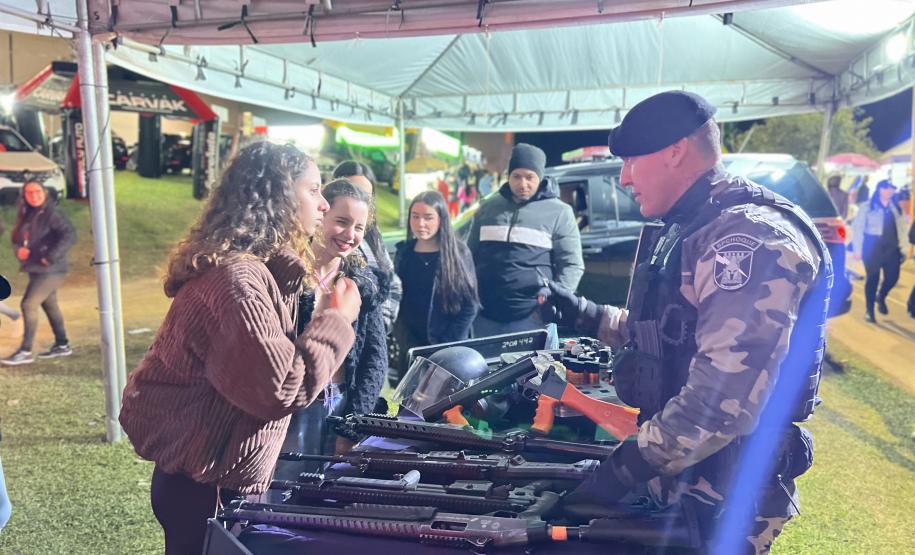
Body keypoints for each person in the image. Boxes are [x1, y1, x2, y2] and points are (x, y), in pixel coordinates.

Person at [541, 91, 832, 554]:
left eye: (632, 161)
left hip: (727, 493)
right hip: (683, 474)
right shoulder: (687, 225)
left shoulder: (746, 238)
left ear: (675, 151)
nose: (623, 178)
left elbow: (721, 398)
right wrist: (591, 316)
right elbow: (671, 334)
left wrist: (620, 471)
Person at [118, 142, 360, 555]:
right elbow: (281, 388)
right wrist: (336, 321)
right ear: (277, 196)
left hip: (209, 477)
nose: (322, 204)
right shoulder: (237, 281)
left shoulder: (254, 272)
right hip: (203, 484)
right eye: (313, 190)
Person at [276, 178, 388, 482]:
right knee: (281, 494)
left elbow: (375, 361)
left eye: (359, 227)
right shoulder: (286, 277)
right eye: (341, 221)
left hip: (341, 406)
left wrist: (351, 425)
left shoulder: (361, 282)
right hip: (292, 409)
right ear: (321, 213)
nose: (350, 235)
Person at [468, 143, 583, 348]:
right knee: (486, 377)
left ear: (540, 177)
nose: (523, 184)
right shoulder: (488, 207)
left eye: (529, 177)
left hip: (531, 319)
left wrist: (552, 300)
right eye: (516, 176)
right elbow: (469, 256)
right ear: (508, 176)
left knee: (533, 378)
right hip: (485, 316)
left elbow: (572, 265)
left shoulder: (559, 212)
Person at [393, 191, 479, 371]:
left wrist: (444, 346)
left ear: (441, 219)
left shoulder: (458, 254)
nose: (420, 223)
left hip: (450, 350)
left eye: (428, 217)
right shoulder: (404, 253)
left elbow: (470, 305)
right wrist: (408, 344)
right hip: (411, 350)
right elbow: (396, 303)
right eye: (415, 217)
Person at [2, 181, 76, 366]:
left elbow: (68, 235)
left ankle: (25, 351)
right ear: (24, 196)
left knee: (28, 304)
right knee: (50, 305)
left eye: (37, 191)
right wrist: (20, 249)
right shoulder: (29, 214)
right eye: (29, 192)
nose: (33, 195)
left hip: (51, 269)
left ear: (44, 193)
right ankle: (62, 344)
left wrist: (49, 256)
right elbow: (19, 238)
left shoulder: (52, 214)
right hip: (36, 268)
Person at [332, 161, 402, 334]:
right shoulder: (327, 239)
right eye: (351, 192)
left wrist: (381, 322)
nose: (359, 200)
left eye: (366, 195)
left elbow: (392, 281)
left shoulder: (372, 234)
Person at [851, 179, 909, 322]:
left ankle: (881, 296)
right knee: (873, 279)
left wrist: (904, 247)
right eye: (888, 188)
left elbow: (902, 229)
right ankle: (869, 310)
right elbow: (858, 228)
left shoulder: (896, 208)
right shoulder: (867, 207)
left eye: (892, 188)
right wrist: (857, 249)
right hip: (872, 247)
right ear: (880, 189)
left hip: (892, 248)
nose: (891, 191)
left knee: (892, 277)